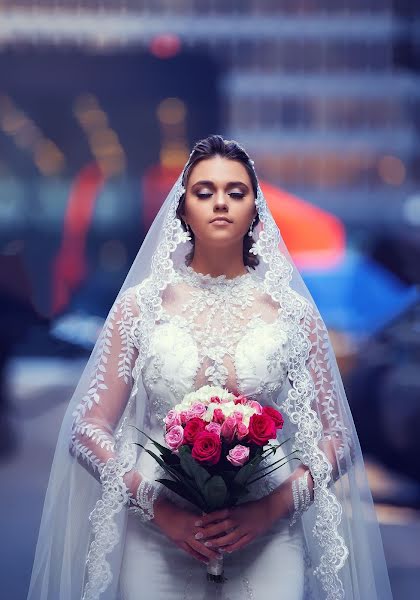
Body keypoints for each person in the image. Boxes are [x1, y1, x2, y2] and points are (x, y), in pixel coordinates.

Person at [27, 135, 393, 600]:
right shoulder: (141, 309)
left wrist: (273, 509)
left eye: (236, 192)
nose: (220, 202)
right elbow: (87, 425)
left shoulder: (293, 313)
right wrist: (157, 507)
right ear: (182, 210)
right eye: (204, 192)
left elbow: (337, 435)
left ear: (255, 208)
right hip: (157, 531)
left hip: (269, 531)